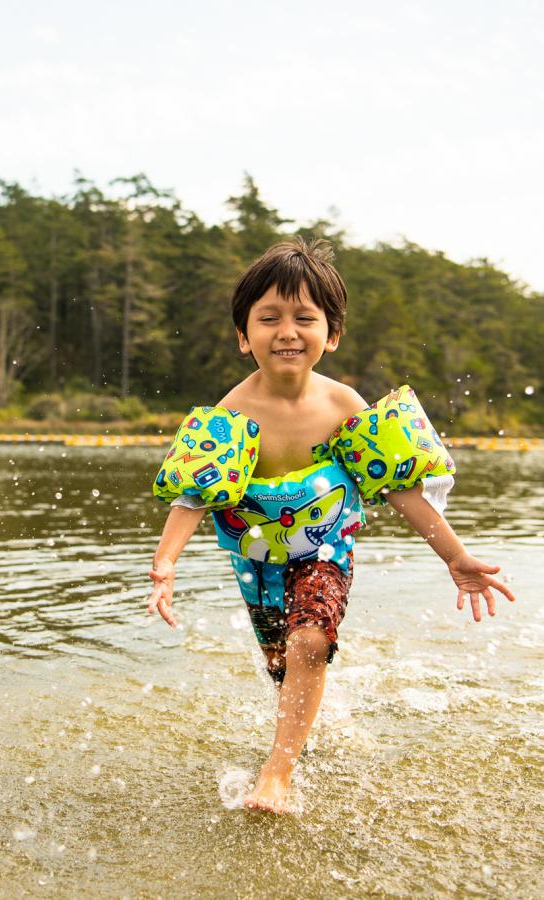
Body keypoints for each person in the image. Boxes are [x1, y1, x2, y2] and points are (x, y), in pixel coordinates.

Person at [146, 238, 516, 814]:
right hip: (256, 562)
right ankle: (302, 734)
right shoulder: (230, 415)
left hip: (326, 549)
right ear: (245, 336)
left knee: (310, 639)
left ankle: (277, 773)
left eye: (304, 318)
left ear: (332, 333)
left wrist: (456, 557)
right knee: (284, 662)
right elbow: (195, 495)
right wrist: (166, 563)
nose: (286, 330)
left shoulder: (346, 406)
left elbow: (399, 485)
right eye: (268, 318)